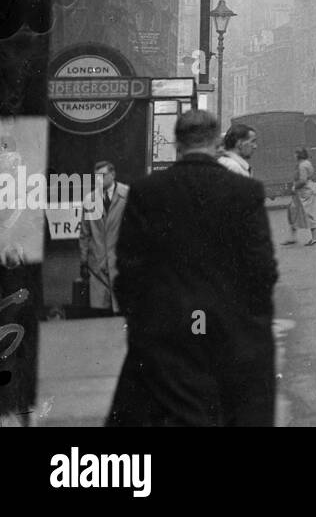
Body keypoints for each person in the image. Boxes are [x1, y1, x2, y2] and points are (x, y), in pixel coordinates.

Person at [106, 108, 278, 426]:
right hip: (231, 332)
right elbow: (263, 270)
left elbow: (128, 271)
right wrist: (251, 323)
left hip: (167, 333)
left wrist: (144, 323)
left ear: (177, 145)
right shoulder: (245, 191)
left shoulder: (146, 191)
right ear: (216, 144)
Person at [78, 161, 129, 316]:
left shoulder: (127, 195)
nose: (99, 180)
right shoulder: (90, 199)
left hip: (120, 261)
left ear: (113, 175)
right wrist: (83, 261)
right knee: (101, 310)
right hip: (97, 263)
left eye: (103, 175)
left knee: (122, 308)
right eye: (96, 177)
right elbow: (85, 233)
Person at [284, 148, 316, 246]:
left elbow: (303, 180)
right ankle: (293, 237)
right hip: (303, 192)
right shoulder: (306, 163)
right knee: (293, 211)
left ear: (299, 155)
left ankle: (315, 237)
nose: (294, 156)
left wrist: (294, 187)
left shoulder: (302, 165)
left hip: (303, 193)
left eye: (295, 154)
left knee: (306, 214)